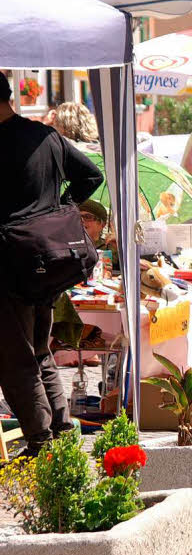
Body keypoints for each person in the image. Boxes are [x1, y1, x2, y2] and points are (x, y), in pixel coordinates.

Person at [0, 74, 104, 459]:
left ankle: (41, 443)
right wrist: (55, 211)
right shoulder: (46, 136)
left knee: (15, 357)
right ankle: (60, 431)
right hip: (47, 259)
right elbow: (91, 175)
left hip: (9, 263)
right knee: (39, 350)